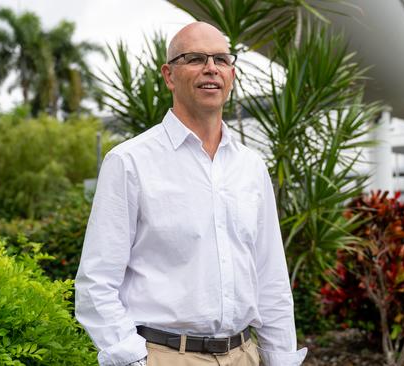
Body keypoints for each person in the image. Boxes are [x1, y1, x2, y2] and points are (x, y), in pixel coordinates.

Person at [75, 22, 307, 366]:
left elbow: (270, 277)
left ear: (232, 73)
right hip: (166, 356)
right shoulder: (129, 162)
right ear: (169, 75)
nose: (211, 68)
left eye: (221, 60)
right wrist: (133, 359)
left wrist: (282, 358)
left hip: (245, 355)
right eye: (196, 58)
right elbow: (96, 283)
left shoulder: (251, 167)